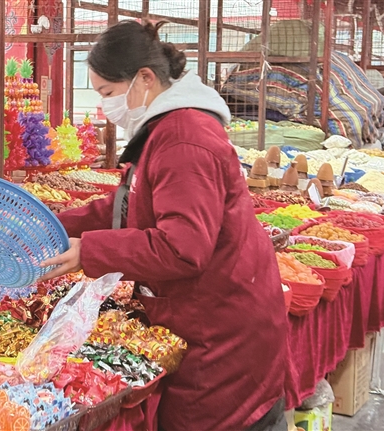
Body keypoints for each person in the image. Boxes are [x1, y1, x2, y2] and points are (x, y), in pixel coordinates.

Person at [40, 20, 288, 431]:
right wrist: (46, 225)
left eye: (108, 93)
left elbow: (182, 248)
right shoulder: (164, 128)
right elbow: (126, 206)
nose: (105, 106)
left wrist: (90, 251)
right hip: (202, 313)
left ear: (145, 78)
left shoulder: (184, 137)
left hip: (221, 327)